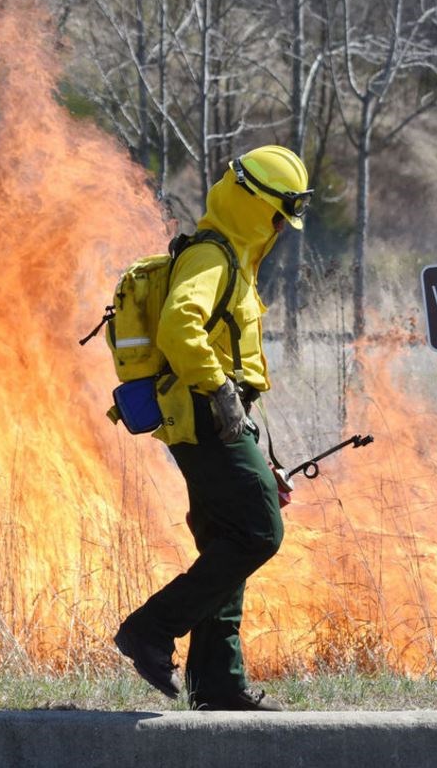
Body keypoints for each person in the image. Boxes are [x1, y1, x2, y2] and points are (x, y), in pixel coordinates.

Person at [113, 145, 312, 712]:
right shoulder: (211, 257)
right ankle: (151, 629)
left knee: (229, 541)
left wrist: (257, 444)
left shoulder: (237, 261)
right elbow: (180, 326)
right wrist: (221, 391)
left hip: (221, 415)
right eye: (279, 212)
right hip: (205, 414)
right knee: (258, 534)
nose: (282, 226)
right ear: (253, 204)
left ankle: (218, 684)